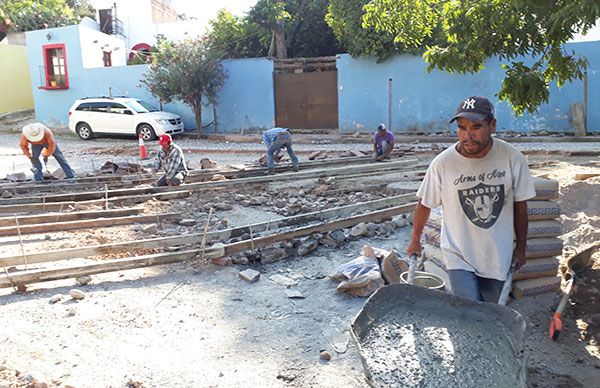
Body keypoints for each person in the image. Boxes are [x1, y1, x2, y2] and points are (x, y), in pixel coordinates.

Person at [406, 96, 536, 302]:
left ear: (492, 125)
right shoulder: (443, 164)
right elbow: (424, 204)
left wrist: (521, 248)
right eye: (462, 128)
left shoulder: (512, 158)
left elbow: (521, 208)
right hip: (459, 253)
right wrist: (415, 240)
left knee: (490, 311)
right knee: (468, 307)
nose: (468, 135)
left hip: (497, 254)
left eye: (476, 127)